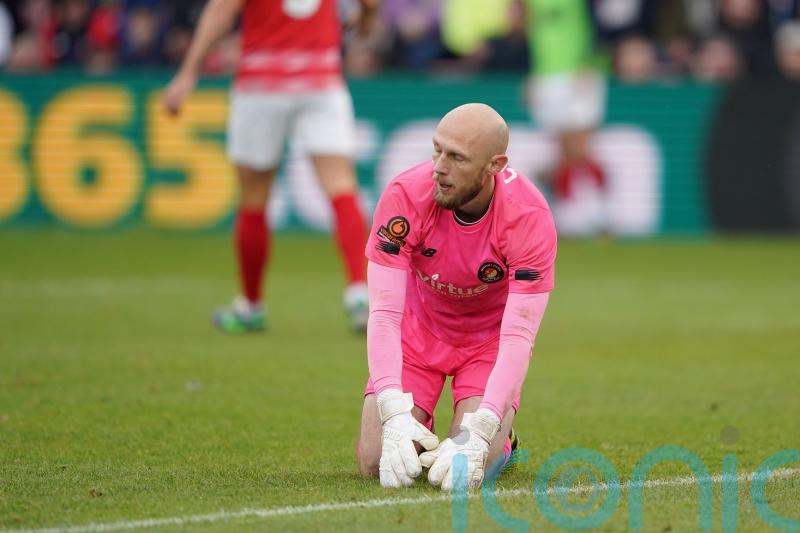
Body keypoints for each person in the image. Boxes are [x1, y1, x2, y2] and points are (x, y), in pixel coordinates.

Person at [356, 103, 557, 490]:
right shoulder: (404, 195)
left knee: (468, 466)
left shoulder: (528, 217)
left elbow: (518, 336)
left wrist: (482, 433)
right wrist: (392, 410)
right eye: (437, 150)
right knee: (375, 460)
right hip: (418, 334)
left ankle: (505, 443)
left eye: (457, 158)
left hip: (488, 344)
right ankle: (417, 422)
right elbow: (383, 313)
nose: (439, 167)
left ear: (495, 166)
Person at [162, 0, 377, 333]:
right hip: (320, 79)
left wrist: (189, 72)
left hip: (262, 83)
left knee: (253, 197)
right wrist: (364, 22)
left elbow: (222, 9)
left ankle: (251, 306)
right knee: (341, 186)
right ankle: (359, 295)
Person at [524, 0, 608, 237]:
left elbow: (598, 22)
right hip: (547, 78)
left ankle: (600, 215)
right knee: (563, 153)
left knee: (580, 148)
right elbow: (534, 35)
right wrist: (532, 73)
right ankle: (564, 218)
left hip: (578, 73)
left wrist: (588, 62)